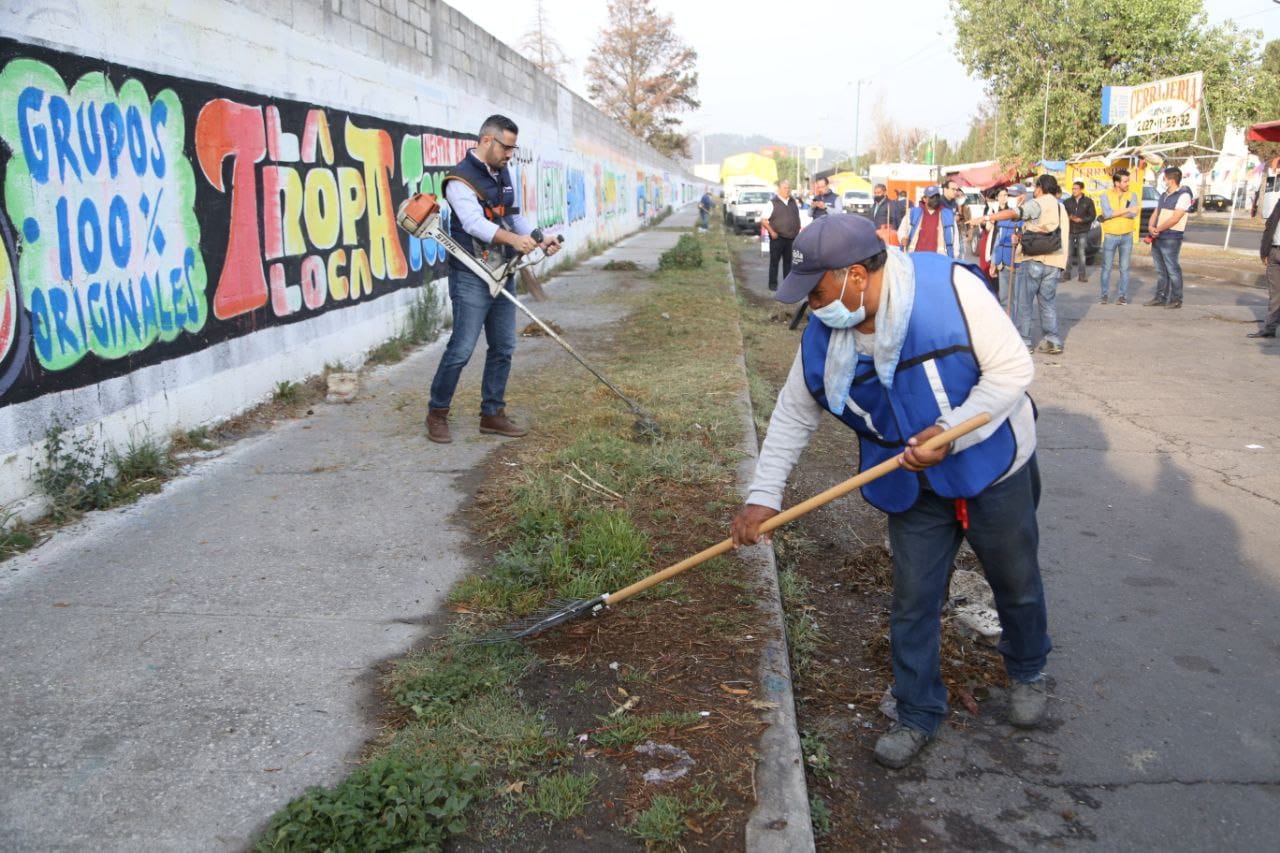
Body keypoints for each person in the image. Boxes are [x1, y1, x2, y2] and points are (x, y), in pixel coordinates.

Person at [730, 214, 1051, 770]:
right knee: (913, 598)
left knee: (1015, 580)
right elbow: (792, 415)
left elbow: (1011, 369)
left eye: (819, 289)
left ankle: (1027, 668)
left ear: (856, 274)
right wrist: (764, 496)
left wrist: (954, 431)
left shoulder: (949, 289)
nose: (813, 305)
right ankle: (918, 711)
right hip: (909, 481)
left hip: (993, 466)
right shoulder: (824, 333)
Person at [426, 114, 560, 444]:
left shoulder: (502, 172)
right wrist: (514, 240)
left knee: (504, 346)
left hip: (502, 270)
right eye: (507, 147)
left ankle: (492, 414)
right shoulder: (459, 180)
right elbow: (473, 224)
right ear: (487, 141)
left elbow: (512, 215)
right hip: (471, 274)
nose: (510, 155)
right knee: (462, 348)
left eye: (513, 149)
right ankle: (437, 413)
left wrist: (539, 237)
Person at [985, 174, 1067, 354]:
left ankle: (1024, 341)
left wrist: (990, 218)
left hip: (1034, 260)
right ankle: (1052, 340)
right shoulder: (1061, 208)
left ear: (1040, 188)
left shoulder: (1039, 202)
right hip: (1055, 261)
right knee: (1048, 303)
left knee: (1024, 303)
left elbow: (1016, 213)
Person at [1145, 167, 1193, 309]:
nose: (1163, 180)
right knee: (1161, 271)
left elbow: (1175, 218)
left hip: (1171, 237)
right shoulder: (1163, 195)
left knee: (1172, 269)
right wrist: (1150, 227)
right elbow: (1156, 212)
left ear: (1171, 180)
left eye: (1164, 178)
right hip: (1158, 237)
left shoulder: (1183, 196)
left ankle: (1176, 299)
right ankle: (1160, 297)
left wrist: (1158, 229)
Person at [1097, 169, 1139, 305]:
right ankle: (1104, 295)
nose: (1128, 183)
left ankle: (1123, 297)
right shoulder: (1105, 195)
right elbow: (1107, 214)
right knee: (1107, 267)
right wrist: (1127, 210)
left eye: (1128, 180)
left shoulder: (1132, 195)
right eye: (1125, 181)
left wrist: (1115, 213)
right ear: (1116, 183)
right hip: (1110, 236)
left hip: (1127, 236)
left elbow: (1134, 214)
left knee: (1125, 268)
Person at [761, 180, 802, 291]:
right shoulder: (772, 203)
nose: (787, 190)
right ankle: (773, 284)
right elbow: (764, 221)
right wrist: (772, 232)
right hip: (777, 238)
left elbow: (796, 217)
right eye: (785, 188)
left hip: (791, 238)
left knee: (788, 263)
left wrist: (797, 229)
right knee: (774, 262)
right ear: (778, 189)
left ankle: (787, 285)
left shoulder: (793, 202)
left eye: (789, 188)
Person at [899, 185, 959, 258]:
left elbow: (955, 237)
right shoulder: (913, 213)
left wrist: (955, 256)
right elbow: (902, 230)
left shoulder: (948, 215)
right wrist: (902, 239)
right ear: (924, 199)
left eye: (937, 197)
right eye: (931, 197)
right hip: (915, 257)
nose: (935, 199)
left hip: (939, 258)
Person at [1249, 197, 1280, 338]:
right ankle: (1270, 328)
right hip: (1274, 251)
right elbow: (1270, 225)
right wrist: (1264, 250)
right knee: (1275, 294)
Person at [1062, 181, 1096, 283]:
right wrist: (1069, 217)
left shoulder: (1088, 201)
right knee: (1068, 253)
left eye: (1076, 188)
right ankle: (1066, 274)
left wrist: (1082, 220)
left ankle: (1082, 275)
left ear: (1081, 189)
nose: (1074, 190)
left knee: (1081, 253)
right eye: (1073, 188)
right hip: (1070, 230)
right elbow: (1062, 214)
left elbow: (1092, 215)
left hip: (1083, 230)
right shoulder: (1067, 202)